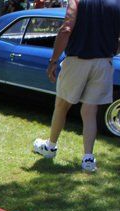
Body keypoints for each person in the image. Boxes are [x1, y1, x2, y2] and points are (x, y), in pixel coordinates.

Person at [33, 0, 120, 172]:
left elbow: (66, 29)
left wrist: (53, 61)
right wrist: (110, 51)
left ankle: (50, 147)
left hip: (77, 61)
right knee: (90, 111)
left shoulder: (77, 1)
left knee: (61, 105)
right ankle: (88, 158)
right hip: (104, 62)